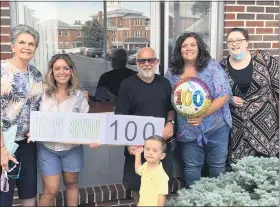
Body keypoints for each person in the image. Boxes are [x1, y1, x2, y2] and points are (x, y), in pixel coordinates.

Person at [165, 32, 232, 188]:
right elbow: (170, 102)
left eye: (193, 45)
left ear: (199, 47)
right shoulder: (172, 73)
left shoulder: (212, 66)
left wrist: (203, 115)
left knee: (217, 166)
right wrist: (170, 122)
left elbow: (224, 95)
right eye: (184, 46)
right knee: (192, 168)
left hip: (217, 127)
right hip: (189, 130)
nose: (189, 48)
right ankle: (193, 201)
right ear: (179, 50)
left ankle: (218, 200)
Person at [37, 54, 100, 206]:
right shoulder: (41, 93)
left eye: (66, 68)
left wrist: (92, 137)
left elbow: (86, 122)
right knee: (51, 190)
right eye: (57, 68)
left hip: (72, 149)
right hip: (48, 148)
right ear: (51, 71)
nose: (61, 72)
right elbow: (33, 117)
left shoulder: (79, 95)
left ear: (71, 71)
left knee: (71, 184)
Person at [115, 47, 175, 203]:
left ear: (157, 62)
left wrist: (170, 123)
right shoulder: (126, 85)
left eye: (151, 60)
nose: (147, 64)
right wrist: (128, 144)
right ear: (136, 62)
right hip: (137, 147)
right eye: (142, 60)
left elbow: (171, 109)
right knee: (138, 187)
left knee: (161, 188)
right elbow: (121, 116)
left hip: (160, 147)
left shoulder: (165, 83)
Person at [220, 27, 279, 164]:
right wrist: (229, 99)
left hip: (267, 127)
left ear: (247, 42)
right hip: (238, 128)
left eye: (238, 40)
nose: (234, 44)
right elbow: (217, 93)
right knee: (241, 169)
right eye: (230, 41)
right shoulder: (222, 67)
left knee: (266, 167)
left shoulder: (264, 58)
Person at [0, 24, 43, 206]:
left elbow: (39, 108)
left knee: (29, 193)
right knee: (4, 196)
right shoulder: (2, 72)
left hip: (26, 143)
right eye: (22, 42)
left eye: (31, 44)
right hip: (3, 143)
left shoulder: (36, 75)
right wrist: (1, 149)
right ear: (13, 46)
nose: (27, 47)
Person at [135, 135, 169, 206]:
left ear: (162, 156)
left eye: (154, 150)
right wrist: (138, 153)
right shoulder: (145, 165)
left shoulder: (161, 175)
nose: (150, 152)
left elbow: (162, 197)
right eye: (147, 149)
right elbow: (138, 170)